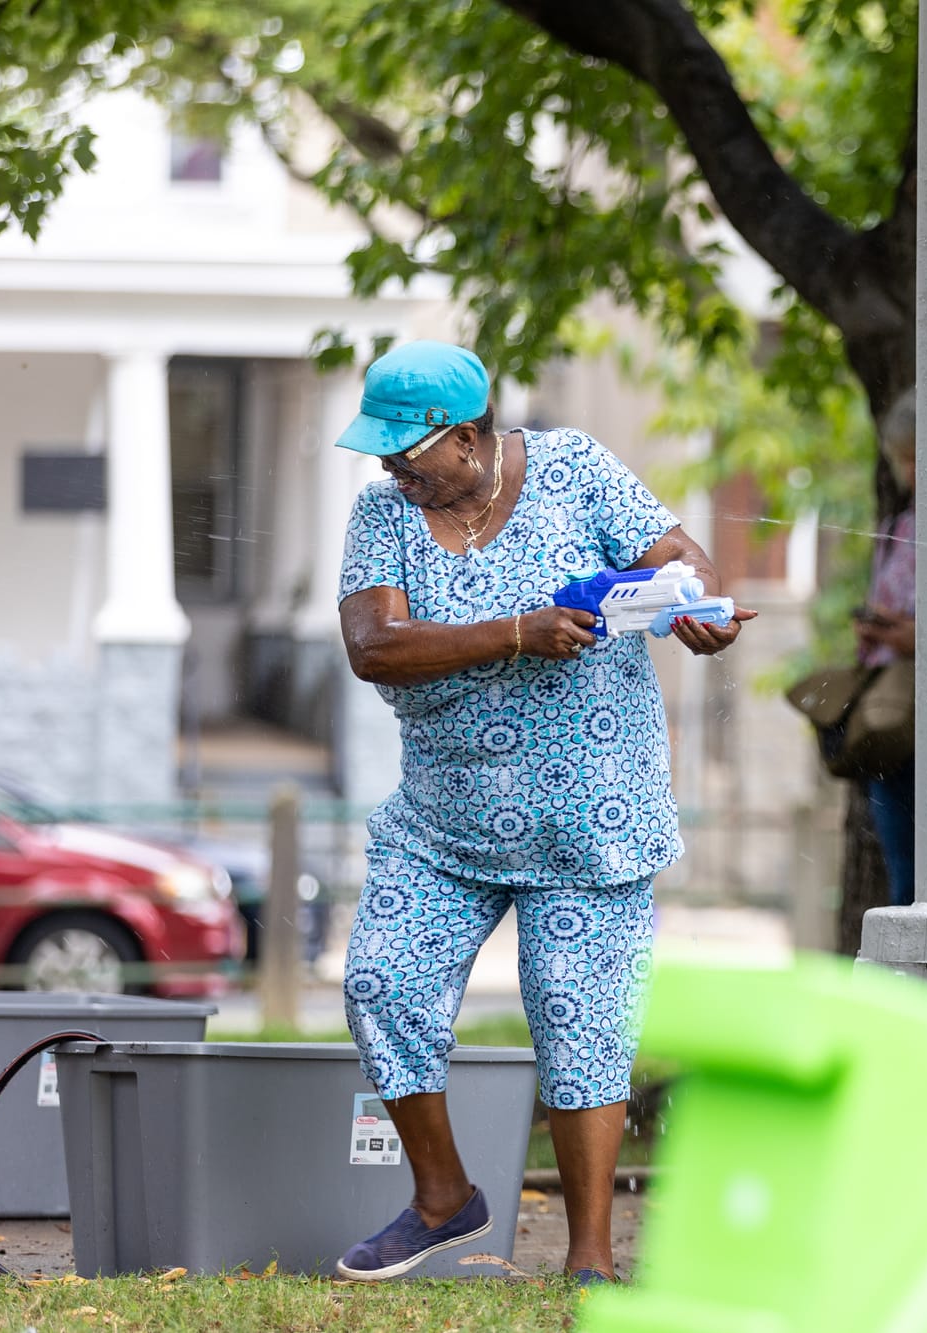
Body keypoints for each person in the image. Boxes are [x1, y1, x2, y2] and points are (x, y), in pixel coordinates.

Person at [328, 340, 755, 1283]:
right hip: (445, 819)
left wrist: (698, 604)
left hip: (590, 817)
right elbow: (374, 645)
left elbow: (677, 558)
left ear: (471, 436)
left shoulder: (574, 469)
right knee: (381, 980)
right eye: (385, 451)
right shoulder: (383, 515)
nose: (394, 466)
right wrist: (514, 632)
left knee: (579, 1018)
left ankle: (592, 1258)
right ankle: (444, 1198)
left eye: (411, 450)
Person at [854, 390, 918, 906]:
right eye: (905, 460)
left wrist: (907, 634)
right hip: (894, 717)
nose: (910, 472)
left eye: (918, 458)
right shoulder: (900, 528)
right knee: (902, 862)